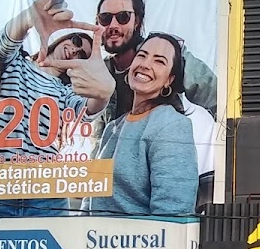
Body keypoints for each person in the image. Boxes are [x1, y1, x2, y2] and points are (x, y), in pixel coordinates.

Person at [0, 0, 114, 218]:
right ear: (62, 37)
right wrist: (28, 17)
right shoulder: (14, 62)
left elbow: (87, 111)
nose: (74, 50)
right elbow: (4, 43)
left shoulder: (67, 92)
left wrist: (103, 94)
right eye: (75, 40)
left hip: (46, 192)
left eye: (82, 55)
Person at [66, 33, 199, 217]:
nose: (145, 64)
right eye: (142, 55)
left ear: (169, 79)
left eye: (159, 61)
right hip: (94, 234)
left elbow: (173, 213)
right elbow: (91, 199)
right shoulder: (112, 127)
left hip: (137, 236)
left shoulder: (172, 125)